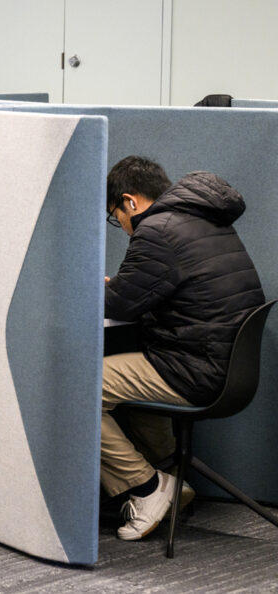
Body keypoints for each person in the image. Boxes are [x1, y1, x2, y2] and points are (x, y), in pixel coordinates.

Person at [102, 156, 263, 541]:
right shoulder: (204, 217)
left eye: (116, 217)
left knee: (80, 387)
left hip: (196, 369)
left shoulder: (157, 230)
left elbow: (120, 305)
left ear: (131, 202)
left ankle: (145, 488)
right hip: (226, 366)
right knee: (134, 374)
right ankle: (170, 481)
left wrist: (106, 288)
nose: (121, 227)